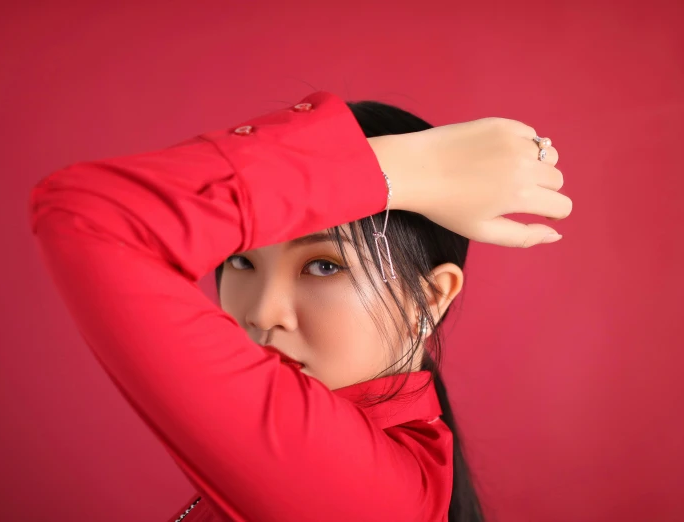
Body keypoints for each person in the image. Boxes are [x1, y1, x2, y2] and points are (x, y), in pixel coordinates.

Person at [29, 92, 570, 522]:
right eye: (239, 262)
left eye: (324, 266)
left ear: (428, 298)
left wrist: (393, 169)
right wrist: (401, 169)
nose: (263, 313)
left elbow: (88, 215)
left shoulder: (366, 497)